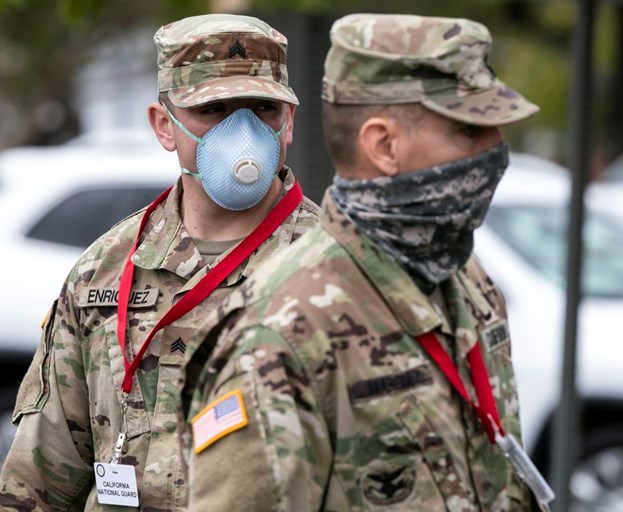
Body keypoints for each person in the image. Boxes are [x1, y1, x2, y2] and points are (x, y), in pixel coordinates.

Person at [179, 13, 551, 511]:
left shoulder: (467, 282)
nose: (495, 151)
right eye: (468, 131)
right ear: (383, 146)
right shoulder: (281, 333)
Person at [0, 13, 319, 511]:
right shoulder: (105, 270)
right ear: (165, 125)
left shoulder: (334, 270)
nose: (243, 130)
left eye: (264, 108)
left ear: (288, 122)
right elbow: (39, 480)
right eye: (215, 109)